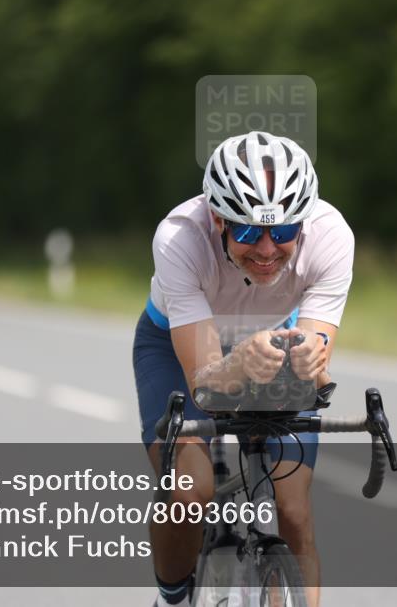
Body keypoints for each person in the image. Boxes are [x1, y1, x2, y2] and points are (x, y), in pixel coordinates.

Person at [134, 131, 354, 607]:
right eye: (250, 231)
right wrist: (237, 361)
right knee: (190, 491)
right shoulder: (179, 237)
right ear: (218, 219)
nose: (268, 249)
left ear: (304, 223)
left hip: (275, 341)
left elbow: (317, 355)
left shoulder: (333, 235)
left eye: (285, 232)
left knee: (293, 511)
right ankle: (171, 597)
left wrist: (311, 360)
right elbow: (206, 380)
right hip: (178, 349)